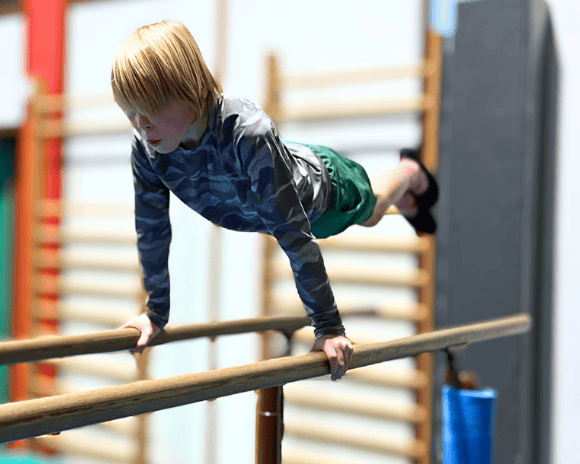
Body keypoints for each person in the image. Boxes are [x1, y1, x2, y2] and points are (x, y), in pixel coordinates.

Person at [111, 20, 438, 381]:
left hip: (323, 191)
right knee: (366, 213)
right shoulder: (148, 150)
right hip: (272, 204)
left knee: (372, 212)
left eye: (150, 110)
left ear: (186, 91)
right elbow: (152, 228)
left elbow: (294, 237)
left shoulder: (245, 133)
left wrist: (328, 326)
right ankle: (405, 200)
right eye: (130, 112)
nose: (141, 125)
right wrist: (155, 312)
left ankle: (408, 171)